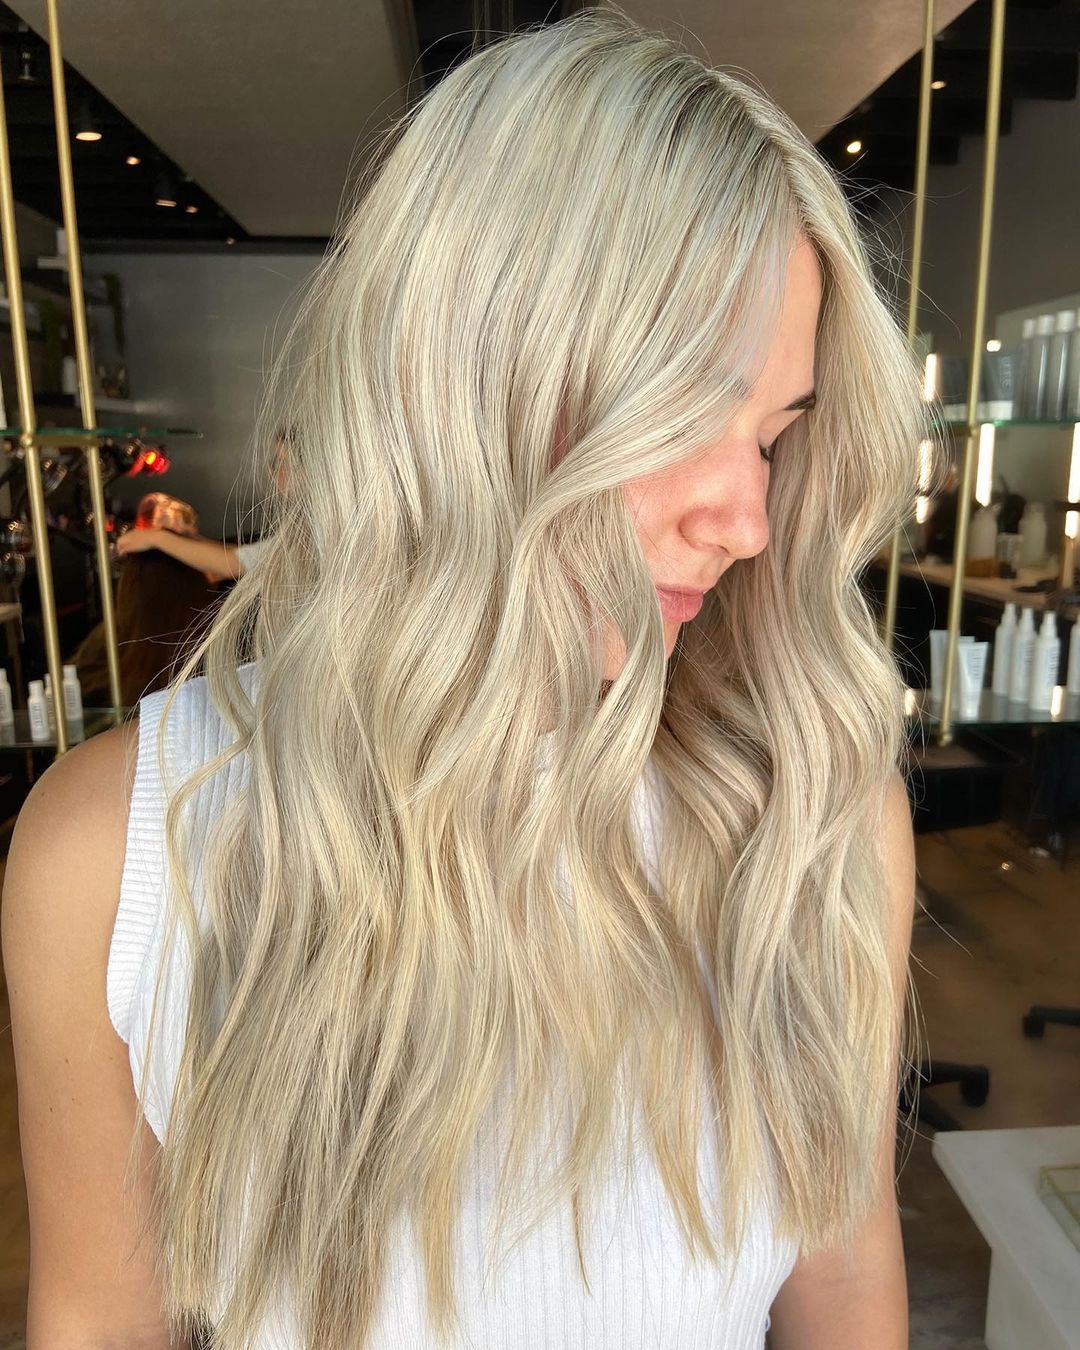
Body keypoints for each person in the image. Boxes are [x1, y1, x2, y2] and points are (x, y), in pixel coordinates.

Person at [2, 12, 945, 1350]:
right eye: (682, 413)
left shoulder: (809, 815)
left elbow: (844, 1282)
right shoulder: (117, 850)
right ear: (460, 383)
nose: (746, 519)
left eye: (773, 437)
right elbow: (100, 1325)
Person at [67, 492, 224, 707]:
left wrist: (159, 539)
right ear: (200, 583)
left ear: (128, 587)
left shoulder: (101, 650)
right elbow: (246, 559)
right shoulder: (218, 647)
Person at [114, 433, 290, 579]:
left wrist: (157, 538)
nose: (274, 470)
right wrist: (192, 539)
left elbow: (235, 564)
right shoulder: (294, 522)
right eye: (275, 461)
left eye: (282, 462)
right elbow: (243, 557)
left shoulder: (303, 527)